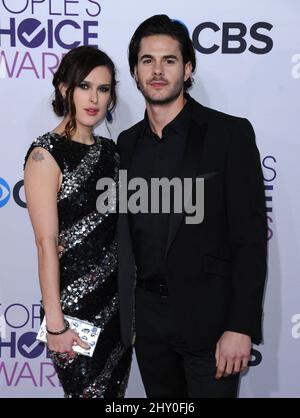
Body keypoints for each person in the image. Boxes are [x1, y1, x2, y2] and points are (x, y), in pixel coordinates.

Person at [117, 15, 267, 398]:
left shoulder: (229, 135)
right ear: (134, 71)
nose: (157, 71)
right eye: (147, 60)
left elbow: (250, 239)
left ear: (187, 68)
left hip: (212, 324)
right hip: (148, 323)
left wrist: (241, 326)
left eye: (169, 60)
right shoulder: (126, 144)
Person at [24, 46, 132, 398]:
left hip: (117, 309)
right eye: (85, 86)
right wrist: (55, 324)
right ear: (63, 89)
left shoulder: (112, 153)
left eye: (103, 89)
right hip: (73, 314)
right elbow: (45, 244)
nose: (94, 98)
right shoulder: (45, 154)